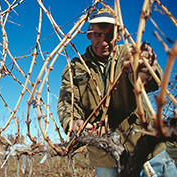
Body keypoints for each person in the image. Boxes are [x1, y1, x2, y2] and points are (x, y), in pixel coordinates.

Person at [57, 7, 177, 177]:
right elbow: (67, 103)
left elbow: (152, 80)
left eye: (110, 35)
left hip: (147, 150)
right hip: (104, 157)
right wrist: (73, 122)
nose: (104, 41)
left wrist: (145, 70)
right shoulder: (75, 67)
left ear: (119, 36)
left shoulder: (128, 53)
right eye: (98, 34)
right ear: (89, 34)